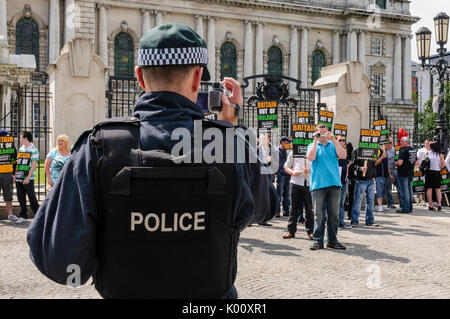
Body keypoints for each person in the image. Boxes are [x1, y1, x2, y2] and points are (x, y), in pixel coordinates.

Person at [27, 23, 276, 299]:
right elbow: (265, 207)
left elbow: (58, 260)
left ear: (140, 78)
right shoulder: (228, 146)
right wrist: (232, 131)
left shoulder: (97, 147)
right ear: (197, 78)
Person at [306, 124, 347, 250]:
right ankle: (318, 241)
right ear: (316, 133)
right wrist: (315, 140)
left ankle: (332, 240)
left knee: (334, 215)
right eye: (320, 132)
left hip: (334, 184)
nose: (322, 134)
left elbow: (344, 155)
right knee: (319, 215)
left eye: (324, 132)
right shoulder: (312, 145)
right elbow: (311, 157)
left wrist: (334, 140)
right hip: (318, 185)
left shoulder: (332, 144)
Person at [282, 151, 314, 239]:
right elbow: (286, 166)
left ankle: (311, 232)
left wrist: (310, 170)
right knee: (293, 208)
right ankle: (291, 231)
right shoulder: (294, 152)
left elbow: (318, 166)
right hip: (295, 182)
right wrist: (292, 172)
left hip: (308, 183)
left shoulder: (313, 151)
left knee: (309, 209)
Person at [349, 147, 378, 227]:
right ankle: (354, 220)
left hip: (370, 180)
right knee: (358, 201)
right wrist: (360, 169)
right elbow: (352, 165)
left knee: (370, 201)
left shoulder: (373, 150)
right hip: (360, 180)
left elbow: (373, 164)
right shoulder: (357, 150)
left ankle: (370, 220)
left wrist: (374, 176)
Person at [15, 131, 40, 224]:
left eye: (21, 137)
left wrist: (28, 178)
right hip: (19, 177)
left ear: (25, 138)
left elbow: (34, 165)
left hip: (28, 178)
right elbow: (18, 163)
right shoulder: (21, 149)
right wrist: (15, 175)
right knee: (20, 197)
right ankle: (23, 215)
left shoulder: (34, 150)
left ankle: (39, 216)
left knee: (31, 197)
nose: (20, 139)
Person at [0, 129, 18, 222]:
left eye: (9, 136)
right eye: (6, 136)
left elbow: (15, 162)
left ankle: (10, 215)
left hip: (8, 174)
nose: (8, 138)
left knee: (8, 195)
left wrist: (14, 175)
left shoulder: (12, 148)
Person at [395, 136, 417, 214]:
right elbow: (416, 162)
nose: (400, 142)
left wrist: (395, 163)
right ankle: (410, 208)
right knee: (410, 190)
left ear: (406, 142)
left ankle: (405, 208)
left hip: (403, 173)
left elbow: (400, 162)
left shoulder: (403, 150)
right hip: (410, 172)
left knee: (405, 191)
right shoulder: (414, 150)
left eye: (401, 141)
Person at [424, 142, 446, 211]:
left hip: (429, 172)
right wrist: (438, 167)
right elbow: (443, 165)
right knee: (438, 188)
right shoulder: (440, 155)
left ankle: (430, 205)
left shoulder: (427, 153)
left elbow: (423, 161)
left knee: (429, 189)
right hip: (437, 172)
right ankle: (439, 204)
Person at [336, 135, 351, 229]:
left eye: (343, 140)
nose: (342, 142)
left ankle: (341, 221)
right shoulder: (334, 151)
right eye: (340, 140)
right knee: (335, 204)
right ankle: (335, 223)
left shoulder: (344, 152)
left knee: (341, 203)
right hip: (336, 180)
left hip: (344, 180)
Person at [274, 136, 291, 218]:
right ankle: (277, 211)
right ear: (282, 142)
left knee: (286, 193)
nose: (287, 144)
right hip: (281, 174)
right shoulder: (277, 151)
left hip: (288, 174)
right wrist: (278, 173)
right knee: (279, 193)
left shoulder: (288, 151)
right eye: (286, 143)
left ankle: (286, 210)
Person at [374, 143, 391, 212]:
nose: (390, 145)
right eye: (388, 144)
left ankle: (381, 205)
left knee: (384, 190)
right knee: (380, 190)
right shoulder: (377, 151)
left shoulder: (384, 152)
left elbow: (386, 164)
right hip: (379, 174)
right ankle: (379, 205)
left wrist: (389, 174)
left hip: (385, 174)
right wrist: (382, 157)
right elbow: (375, 163)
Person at [415, 139, 431, 206]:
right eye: (426, 143)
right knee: (421, 184)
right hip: (422, 169)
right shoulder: (421, 150)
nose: (427, 145)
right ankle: (420, 198)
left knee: (428, 185)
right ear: (424, 143)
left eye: (429, 143)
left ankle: (425, 200)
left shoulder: (432, 151)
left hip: (430, 169)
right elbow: (417, 160)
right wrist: (417, 168)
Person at [384, 137, 398, 209]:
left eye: (392, 142)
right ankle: (390, 203)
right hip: (388, 171)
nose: (391, 144)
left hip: (396, 170)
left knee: (399, 187)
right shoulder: (385, 150)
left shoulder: (395, 150)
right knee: (388, 188)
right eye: (389, 142)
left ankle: (402, 202)